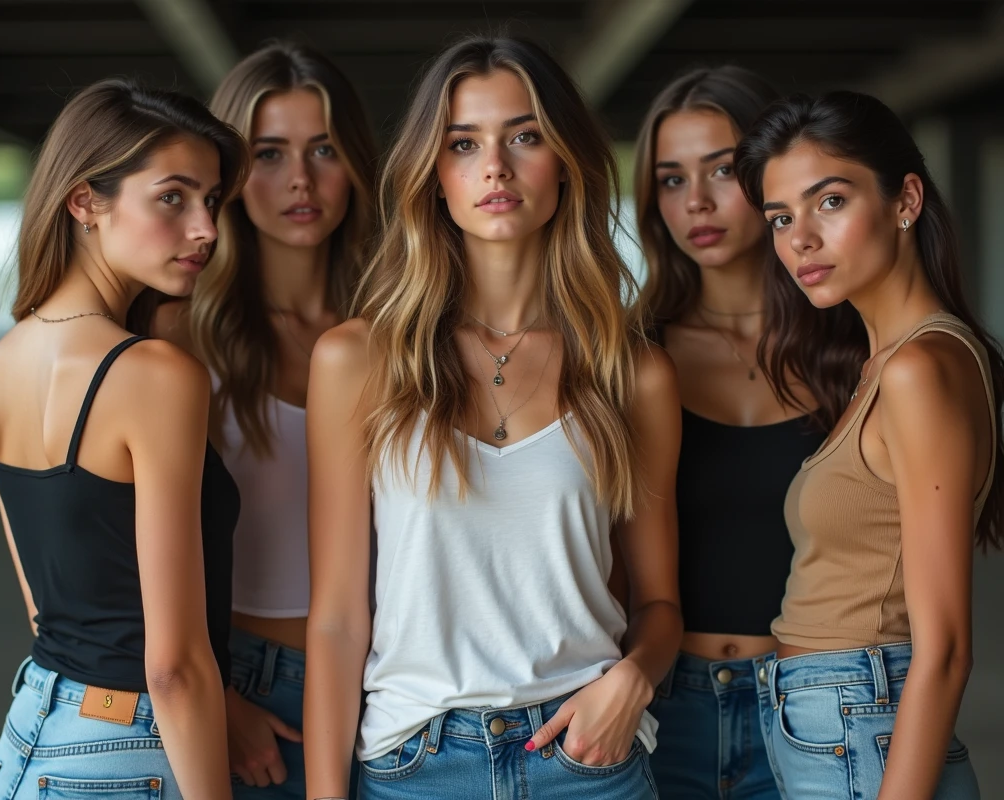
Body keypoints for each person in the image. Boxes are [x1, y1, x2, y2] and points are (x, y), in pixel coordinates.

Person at [302, 35, 683, 800]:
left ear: (567, 162)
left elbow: (659, 603)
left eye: (525, 137)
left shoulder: (629, 370)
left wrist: (633, 678)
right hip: (415, 760)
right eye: (463, 143)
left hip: (587, 759)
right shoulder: (358, 360)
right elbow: (340, 618)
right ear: (433, 175)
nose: (495, 167)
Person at [0, 78, 248, 799]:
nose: (207, 229)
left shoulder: (2, 361)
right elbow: (174, 664)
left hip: (27, 736)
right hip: (123, 753)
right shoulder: (154, 374)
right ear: (85, 201)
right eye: (173, 197)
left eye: (212, 201)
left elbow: (46, 605)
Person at [736, 90, 1003, 799]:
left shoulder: (920, 369)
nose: (800, 240)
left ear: (905, 200)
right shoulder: (882, 366)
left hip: (862, 730)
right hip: (837, 727)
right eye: (781, 218)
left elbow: (944, 648)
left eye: (829, 203)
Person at [151, 41, 378, 798]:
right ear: (231, 174)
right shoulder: (181, 336)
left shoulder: (401, 332)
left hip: (392, 683)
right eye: (269, 154)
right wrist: (220, 698)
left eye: (323, 149)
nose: (301, 181)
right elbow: (123, 551)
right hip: (245, 683)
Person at [632, 66, 832, 799]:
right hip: (660, 705)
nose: (698, 202)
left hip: (812, 702)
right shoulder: (627, 356)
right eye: (671, 179)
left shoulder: (849, 352)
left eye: (723, 171)